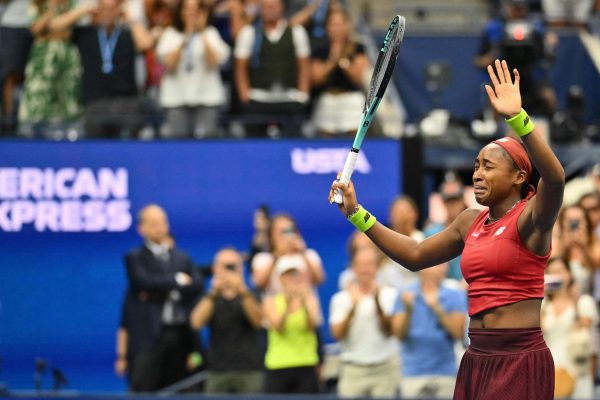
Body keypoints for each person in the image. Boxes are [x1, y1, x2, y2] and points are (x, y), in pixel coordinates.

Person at [329, 59, 565, 399]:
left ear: (518, 177)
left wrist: (518, 119)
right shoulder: (470, 221)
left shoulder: (531, 219)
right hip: (476, 357)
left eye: (488, 166)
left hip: (519, 358)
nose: (478, 174)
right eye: (476, 166)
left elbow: (555, 179)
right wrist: (355, 212)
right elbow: (414, 255)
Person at [123, 204, 204, 392]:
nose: (159, 228)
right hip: (149, 337)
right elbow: (143, 282)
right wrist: (177, 280)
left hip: (180, 335)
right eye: (153, 224)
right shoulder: (135, 257)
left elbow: (197, 284)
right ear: (141, 228)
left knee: (180, 389)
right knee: (145, 388)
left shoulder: (181, 257)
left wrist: (161, 289)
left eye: (162, 222)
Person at [49, 0, 155, 138]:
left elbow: (146, 43)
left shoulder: (127, 32)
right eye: (104, 9)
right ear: (97, 9)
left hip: (126, 102)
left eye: (112, 9)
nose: (108, 14)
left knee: (128, 149)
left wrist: (130, 18)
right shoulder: (87, 33)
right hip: (95, 101)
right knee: (96, 151)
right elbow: (54, 27)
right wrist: (82, 11)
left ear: (119, 10)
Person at [189, 247, 264, 394]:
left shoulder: (252, 294)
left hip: (250, 369)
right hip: (217, 369)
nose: (228, 271)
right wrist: (213, 293)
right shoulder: (209, 296)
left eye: (232, 266)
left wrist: (243, 292)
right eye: (224, 266)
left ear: (241, 269)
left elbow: (259, 322)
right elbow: (196, 323)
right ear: (215, 269)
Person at [329, 246, 399, 398]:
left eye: (369, 264)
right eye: (361, 264)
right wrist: (353, 308)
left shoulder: (390, 295)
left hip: (384, 368)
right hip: (352, 369)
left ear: (377, 267)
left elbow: (391, 331)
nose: (365, 269)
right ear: (353, 268)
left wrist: (377, 302)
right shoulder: (340, 299)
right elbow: (337, 335)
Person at [233, 0, 311, 137]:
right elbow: (240, 67)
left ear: (281, 7)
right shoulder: (249, 32)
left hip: (289, 96)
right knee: (253, 139)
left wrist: (303, 94)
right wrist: (245, 95)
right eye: (266, 6)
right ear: (261, 9)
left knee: (294, 134)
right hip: (258, 96)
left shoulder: (296, 31)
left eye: (274, 6)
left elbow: (304, 65)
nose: (270, 10)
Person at [156, 0, 230, 138]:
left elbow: (214, 62)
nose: (191, 14)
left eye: (195, 10)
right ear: (180, 12)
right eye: (188, 9)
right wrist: (186, 37)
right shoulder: (170, 34)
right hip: (176, 99)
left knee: (206, 140)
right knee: (178, 141)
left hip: (207, 99)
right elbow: (169, 65)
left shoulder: (210, 33)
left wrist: (201, 33)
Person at [392, 263, 467, 399]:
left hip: (445, 372)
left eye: (445, 265)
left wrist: (437, 307)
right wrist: (408, 310)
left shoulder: (455, 295)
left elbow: (458, 333)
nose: (444, 268)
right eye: (439, 264)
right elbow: (398, 334)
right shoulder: (405, 294)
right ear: (423, 267)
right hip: (412, 373)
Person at [473, 0, 557, 118]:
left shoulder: (537, 29)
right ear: (506, 8)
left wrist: (550, 47)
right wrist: (494, 55)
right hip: (504, 80)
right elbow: (478, 61)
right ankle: (496, 131)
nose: (518, 12)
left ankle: (553, 130)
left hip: (531, 79)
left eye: (521, 8)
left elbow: (546, 58)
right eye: (514, 7)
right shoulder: (493, 29)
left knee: (548, 96)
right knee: (494, 97)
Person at [18, 0, 85, 138]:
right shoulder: (37, 3)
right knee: (38, 93)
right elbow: (36, 29)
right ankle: (31, 134)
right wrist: (52, 12)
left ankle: (67, 135)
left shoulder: (73, 4)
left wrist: (48, 31)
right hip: (43, 59)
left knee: (68, 96)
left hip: (66, 58)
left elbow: (64, 32)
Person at [262, 254, 322, 393]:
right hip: (278, 364)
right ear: (280, 278)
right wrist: (288, 305)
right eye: (288, 275)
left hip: (306, 362)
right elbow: (278, 327)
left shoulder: (310, 299)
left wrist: (304, 302)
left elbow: (312, 326)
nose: (292, 279)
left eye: (295, 274)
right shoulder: (270, 301)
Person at [542, 257, 598, 399]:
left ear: (569, 274)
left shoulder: (583, 302)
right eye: (551, 272)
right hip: (550, 373)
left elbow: (586, 330)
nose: (556, 275)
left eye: (560, 271)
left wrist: (573, 300)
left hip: (578, 372)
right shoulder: (543, 306)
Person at [310, 6, 367, 137]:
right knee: (324, 137)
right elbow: (316, 78)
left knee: (354, 137)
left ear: (347, 26)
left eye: (341, 24)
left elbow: (357, 77)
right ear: (327, 27)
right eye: (333, 25)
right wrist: (332, 61)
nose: (337, 29)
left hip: (351, 98)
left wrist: (343, 61)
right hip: (328, 98)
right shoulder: (321, 49)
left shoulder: (357, 47)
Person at [251, 212, 325, 296]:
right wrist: (276, 256)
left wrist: (302, 252)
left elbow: (319, 280)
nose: (288, 236)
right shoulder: (263, 259)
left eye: (290, 230)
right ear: (271, 235)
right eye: (283, 231)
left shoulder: (309, 254)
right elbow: (258, 284)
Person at [425, 179, 468, 282]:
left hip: (467, 286)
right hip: (439, 286)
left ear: (462, 200)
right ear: (443, 203)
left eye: (456, 199)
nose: (452, 204)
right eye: (448, 200)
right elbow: (425, 266)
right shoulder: (431, 232)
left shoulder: (473, 231)